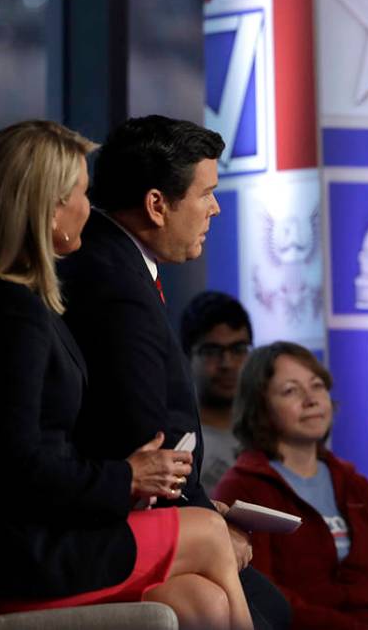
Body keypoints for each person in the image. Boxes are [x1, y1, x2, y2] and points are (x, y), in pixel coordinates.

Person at [0, 120, 253, 630]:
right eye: (81, 194)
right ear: (48, 207)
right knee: (210, 535)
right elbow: (17, 470)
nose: (90, 208)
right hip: (23, 554)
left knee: (200, 601)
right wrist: (129, 476)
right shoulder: (11, 316)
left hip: (30, 538)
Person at [58, 115, 291, 630]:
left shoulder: (116, 263)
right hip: (110, 519)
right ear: (156, 204)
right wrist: (201, 522)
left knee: (255, 603)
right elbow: (141, 435)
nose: (216, 207)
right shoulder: (113, 283)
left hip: (136, 506)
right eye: (206, 192)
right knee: (264, 609)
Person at [213, 341, 368, 630]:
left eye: (317, 386)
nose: (311, 400)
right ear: (261, 408)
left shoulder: (353, 483)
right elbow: (264, 598)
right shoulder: (241, 489)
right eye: (291, 391)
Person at [181, 290, 254, 493]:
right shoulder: (176, 441)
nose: (227, 364)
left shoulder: (274, 433)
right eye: (212, 351)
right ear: (187, 357)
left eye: (238, 349)